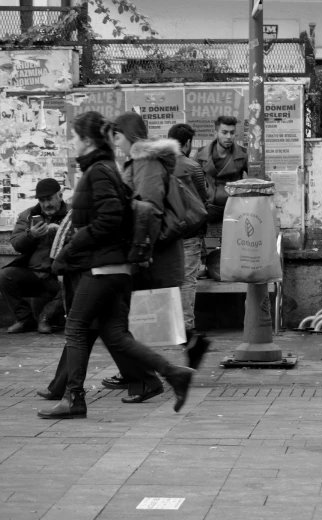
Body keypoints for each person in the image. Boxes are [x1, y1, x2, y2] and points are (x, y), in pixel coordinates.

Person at [37, 111, 193, 419]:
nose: (72, 142)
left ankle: (74, 397)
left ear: (87, 140)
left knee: (77, 327)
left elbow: (109, 221)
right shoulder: (109, 168)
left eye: (74, 137)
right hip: (115, 269)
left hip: (103, 269)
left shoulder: (99, 171)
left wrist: (70, 250)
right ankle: (173, 373)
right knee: (117, 336)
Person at [100, 111, 185, 404]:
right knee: (127, 318)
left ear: (129, 136)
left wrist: (140, 252)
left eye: (118, 136)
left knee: (129, 318)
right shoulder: (137, 161)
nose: (115, 143)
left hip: (148, 253)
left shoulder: (145, 161)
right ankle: (136, 373)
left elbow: (149, 210)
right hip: (142, 251)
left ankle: (145, 377)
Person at [167, 123, 211, 368]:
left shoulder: (159, 165)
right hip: (190, 234)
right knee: (187, 282)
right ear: (187, 143)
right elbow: (203, 201)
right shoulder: (193, 167)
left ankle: (179, 332)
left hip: (166, 236)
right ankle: (187, 330)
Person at [0, 178, 69, 334]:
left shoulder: (72, 214)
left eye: (49, 199)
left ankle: (46, 316)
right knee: (4, 276)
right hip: (33, 273)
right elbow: (16, 243)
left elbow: (82, 239)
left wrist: (62, 233)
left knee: (75, 283)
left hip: (58, 274)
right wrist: (31, 235)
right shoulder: (29, 215)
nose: (46, 204)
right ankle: (25, 319)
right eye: (42, 200)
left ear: (59, 195)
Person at [196, 115, 248, 224]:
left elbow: (258, 179)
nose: (229, 137)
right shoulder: (201, 155)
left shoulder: (243, 155)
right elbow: (192, 183)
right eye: (224, 132)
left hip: (235, 207)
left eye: (232, 133)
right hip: (209, 208)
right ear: (216, 133)